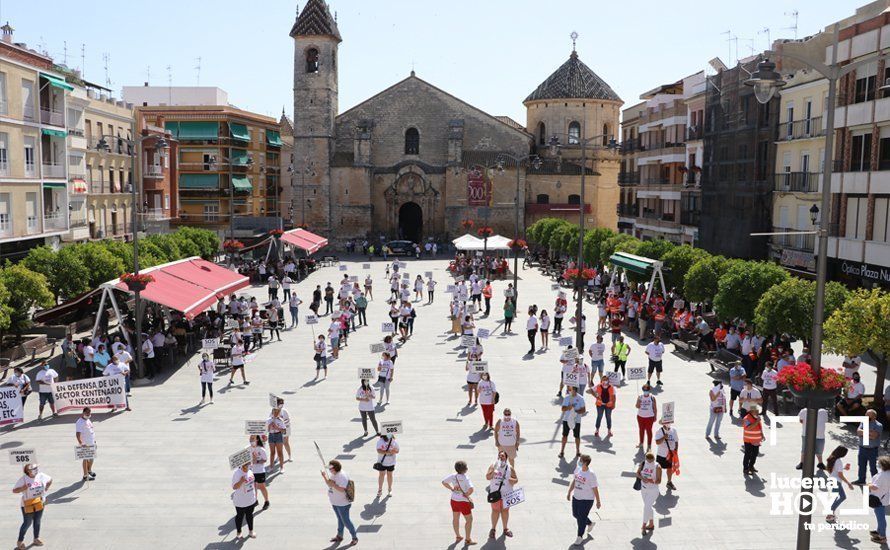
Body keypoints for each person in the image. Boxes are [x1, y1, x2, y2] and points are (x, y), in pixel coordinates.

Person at [12, 463, 51, 549]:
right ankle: (20, 541)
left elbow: (50, 480)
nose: (36, 470)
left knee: (37, 521)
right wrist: (22, 488)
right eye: (34, 469)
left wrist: (46, 488)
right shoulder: (24, 479)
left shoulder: (41, 475)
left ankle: (36, 538)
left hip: (40, 502)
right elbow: (14, 490)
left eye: (37, 468)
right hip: (27, 505)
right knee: (27, 523)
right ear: (28, 471)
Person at [567, 454, 600, 545]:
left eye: (581, 460)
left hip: (587, 500)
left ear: (585, 462)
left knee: (581, 518)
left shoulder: (591, 474)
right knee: (575, 514)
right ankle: (589, 523)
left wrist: (598, 501)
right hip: (576, 497)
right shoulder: (578, 469)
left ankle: (579, 536)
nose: (579, 461)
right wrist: (569, 492)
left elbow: (595, 488)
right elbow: (575, 480)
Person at [324, 460, 358, 546]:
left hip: (343, 504)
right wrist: (324, 477)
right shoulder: (334, 474)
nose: (329, 470)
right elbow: (329, 484)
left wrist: (333, 484)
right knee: (340, 519)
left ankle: (354, 537)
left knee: (346, 521)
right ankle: (339, 536)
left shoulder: (342, 476)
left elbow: (342, 489)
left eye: (330, 468)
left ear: (335, 468)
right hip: (335, 502)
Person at [487, 450, 518, 539]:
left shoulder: (510, 468)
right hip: (495, 494)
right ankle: (493, 529)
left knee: (505, 511)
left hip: (506, 494)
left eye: (503, 456)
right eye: (499, 456)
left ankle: (505, 529)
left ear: (506, 458)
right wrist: (493, 472)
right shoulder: (493, 465)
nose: (501, 457)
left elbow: (516, 480)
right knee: (495, 511)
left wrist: (511, 480)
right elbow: (487, 477)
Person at [442, 461, 475, 545]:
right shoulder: (465, 478)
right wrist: (466, 495)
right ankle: (468, 539)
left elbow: (444, 482)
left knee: (455, 518)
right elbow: (471, 489)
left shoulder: (453, 476)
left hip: (454, 500)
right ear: (465, 469)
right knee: (469, 520)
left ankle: (458, 536)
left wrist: (452, 489)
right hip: (463, 502)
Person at [825, 445, 853, 523]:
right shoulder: (838, 461)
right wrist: (848, 483)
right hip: (836, 481)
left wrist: (843, 467)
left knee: (836, 497)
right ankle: (830, 514)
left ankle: (831, 514)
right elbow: (840, 475)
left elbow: (833, 469)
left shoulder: (832, 458)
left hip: (832, 480)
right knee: (842, 497)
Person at [854, 409, 883, 485]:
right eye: (865, 415)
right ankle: (861, 480)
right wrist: (869, 433)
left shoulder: (878, 425)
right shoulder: (863, 422)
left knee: (873, 468)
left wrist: (863, 433)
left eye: (868, 416)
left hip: (872, 450)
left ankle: (875, 483)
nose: (866, 417)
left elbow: (874, 436)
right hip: (862, 448)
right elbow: (858, 432)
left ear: (874, 417)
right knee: (861, 465)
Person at [231, 461, 257, 539]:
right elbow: (234, 487)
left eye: (249, 463)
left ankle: (251, 531)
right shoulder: (237, 473)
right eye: (247, 464)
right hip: (240, 500)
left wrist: (255, 494)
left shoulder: (250, 471)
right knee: (240, 516)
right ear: (242, 465)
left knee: (250, 515)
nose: (249, 465)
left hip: (250, 499)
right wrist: (241, 481)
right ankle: (239, 532)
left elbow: (253, 483)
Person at [559, 385, 586, 459]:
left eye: (570, 389)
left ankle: (578, 451)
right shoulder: (567, 397)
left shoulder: (580, 398)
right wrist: (568, 408)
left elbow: (583, 410)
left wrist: (576, 411)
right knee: (564, 436)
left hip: (576, 420)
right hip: (566, 419)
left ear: (574, 390)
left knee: (577, 436)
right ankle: (562, 451)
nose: (569, 390)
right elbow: (563, 409)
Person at [637, 452, 662, 535]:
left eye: (651, 461)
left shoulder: (657, 466)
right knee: (648, 507)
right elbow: (638, 473)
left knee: (646, 507)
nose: (649, 462)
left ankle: (643, 526)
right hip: (643, 489)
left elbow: (659, 481)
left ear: (654, 459)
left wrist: (651, 480)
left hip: (653, 491)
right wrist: (642, 478)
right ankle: (651, 524)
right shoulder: (643, 463)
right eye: (648, 461)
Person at [869, 456, 890, 544]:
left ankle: (882, 537)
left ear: (883, 465)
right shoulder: (888, 473)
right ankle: (878, 531)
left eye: (879, 463)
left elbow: (875, 487)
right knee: (880, 517)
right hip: (884, 498)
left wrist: (868, 485)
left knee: (881, 518)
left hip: (878, 499)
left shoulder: (882, 475)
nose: (878, 464)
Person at [655, 420, 678, 490]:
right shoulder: (659, 431)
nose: (668, 423)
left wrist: (675, 451)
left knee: (669, 468)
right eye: (666, 422)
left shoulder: (674, 430)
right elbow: (657, 442)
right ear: (663, 423)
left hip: (670, 454)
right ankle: (657, 482)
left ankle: (669, 482)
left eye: (668, 422)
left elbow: (676, 441)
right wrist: (664, 437)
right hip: (661, 454)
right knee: (659, 469)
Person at [742, 406, 765, 476]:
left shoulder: (756, 418)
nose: (758, 412)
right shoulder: (746, 419)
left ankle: (751, 466)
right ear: (751, 411)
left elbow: (759, 427)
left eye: (758, 411)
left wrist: (762, 435)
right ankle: (745, 468)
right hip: (748, 440)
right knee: (747, 454)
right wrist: (757, 421)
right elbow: (749, 428)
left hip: (756, 440)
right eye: (756, 411)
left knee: (755, 454)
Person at [249, 435, 270, 510]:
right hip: (251, 472)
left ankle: (266, 501)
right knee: (253, 487)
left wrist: (256, 461)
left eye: (253, 438)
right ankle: (255, 501)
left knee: (262, 487)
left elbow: (264, 460)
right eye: (250, 438)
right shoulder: (248, 448)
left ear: (257, 439)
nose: (251, 440)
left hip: (260, 471)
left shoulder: (261, 449)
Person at [75, 407, 96, 482]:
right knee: (86, 459)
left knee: (92, 458)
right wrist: (81, 443)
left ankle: (89, 470)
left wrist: (94, 441)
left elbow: (91, 430)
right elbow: (77, 434)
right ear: (83, 412)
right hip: (85, 444)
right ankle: (85, 475)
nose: (89, 414)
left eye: (89, 413)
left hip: (91, 442)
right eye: (87, 413)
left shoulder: (88, 420)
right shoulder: (79, 422)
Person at [636, 384, 657, 450]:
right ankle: (641, 443)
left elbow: (655, 408)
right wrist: (639, 402)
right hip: (640, 416)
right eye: (644, 390)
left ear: (649, 390)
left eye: (647, 390)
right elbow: (637, 406)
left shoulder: (652, 398)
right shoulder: (640, 397)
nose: (646, 391)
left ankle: (649, 446)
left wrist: (655, 416)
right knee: (641, 430)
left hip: (649, 417)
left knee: (649, 431)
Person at [266, 408, 287, 473]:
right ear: (272, 413)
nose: (275, 414)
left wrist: (277, 427)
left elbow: (284, 431)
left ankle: (281, 467)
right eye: (274, 412)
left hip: (278, 435)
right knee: (272, 452)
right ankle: (271, 467)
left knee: (280, 452)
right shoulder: (268, 420)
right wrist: (270, 426)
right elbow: (267, 430)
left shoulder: (280, 420)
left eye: (277, 412)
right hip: (271, 435)